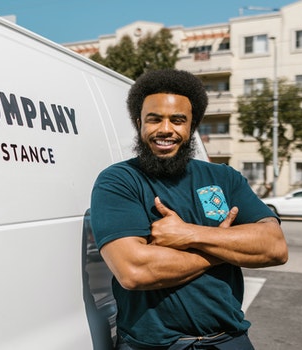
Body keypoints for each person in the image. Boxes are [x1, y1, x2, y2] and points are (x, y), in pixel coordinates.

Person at [90, 69, 288, 350]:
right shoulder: (119, 180)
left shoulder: (224, 178)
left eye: (178, 120)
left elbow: (275, 246)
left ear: (192, 126)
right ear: (139, 124)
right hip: (151, 345)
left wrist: (189, 234)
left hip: (228, 339)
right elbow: (134, 270)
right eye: (154, 119)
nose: (166, 129)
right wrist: (223, 250)